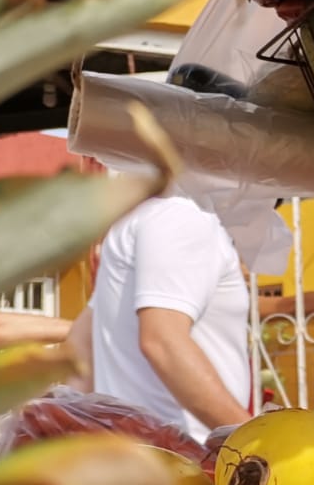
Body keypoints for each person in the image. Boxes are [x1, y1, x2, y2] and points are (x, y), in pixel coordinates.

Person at [74, 171, 293, 441]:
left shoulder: (149, 217)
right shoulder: (185, 218)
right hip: (184, 458)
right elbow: (162, 342)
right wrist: (257, 442)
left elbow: (80, 345)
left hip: (139, 457)